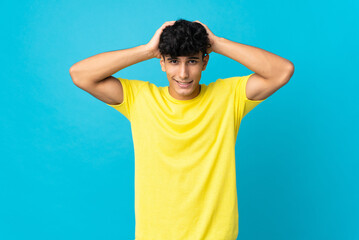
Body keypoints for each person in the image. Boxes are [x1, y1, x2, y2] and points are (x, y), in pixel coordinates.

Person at [69, 19, 294, 240]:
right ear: (162, 63)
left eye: (192, 61)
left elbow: (282, 71)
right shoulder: (139, 99)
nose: (183, 74)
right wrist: (147, 50)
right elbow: (80, 74)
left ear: (205, 62)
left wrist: (216, 43)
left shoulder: (228, 96)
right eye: (174, 61)